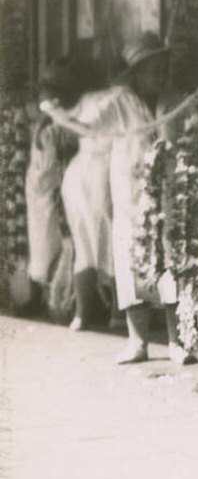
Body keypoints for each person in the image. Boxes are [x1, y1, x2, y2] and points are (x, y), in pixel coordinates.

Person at [42, 34, 198, 365]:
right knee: (130, 265)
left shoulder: (173, 100)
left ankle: (176, 341)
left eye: (163, 67)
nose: (160, 74)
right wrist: (57, 112)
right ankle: (138, 341)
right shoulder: (119, 102)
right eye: (153, 69)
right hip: (130, 197)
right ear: (137, 72)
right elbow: (86, 125)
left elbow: (191, 135)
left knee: (171, 265)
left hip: (169, 196)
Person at [56, 64, 115, 331]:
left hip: (87, 172)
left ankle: (89, 313)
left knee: (92, 243)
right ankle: (102, 311)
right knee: (103, 241)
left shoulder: (89, 101)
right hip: (93, 174)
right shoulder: (103, 100)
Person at [25, 60, 81, 319]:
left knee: (48, 245)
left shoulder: (49, 127)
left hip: (45, 189)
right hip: (46, 190)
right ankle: (52, 297)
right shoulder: (50, 128)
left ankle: (52, 296)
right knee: (49, 244)